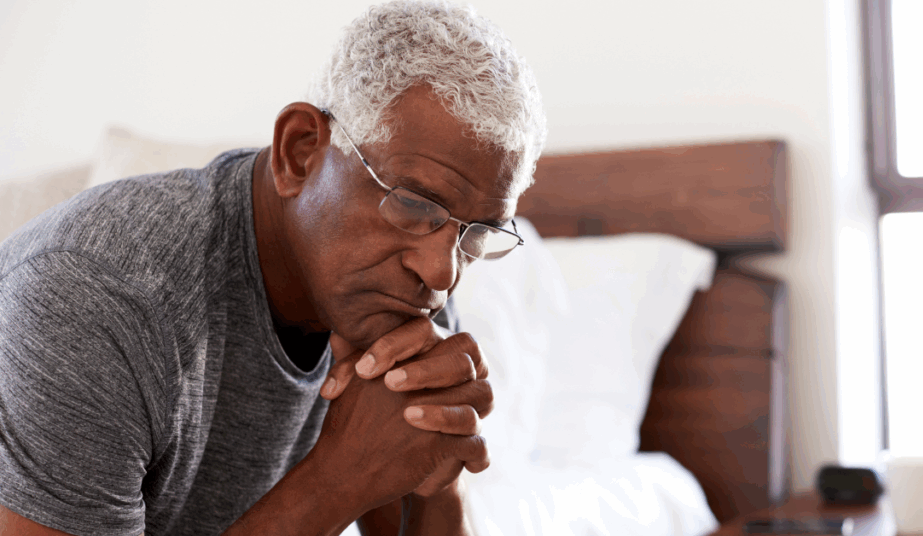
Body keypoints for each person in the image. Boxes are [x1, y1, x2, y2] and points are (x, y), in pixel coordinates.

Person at [0, 1, 547, 534]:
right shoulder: (94, 295)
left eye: (476, 234)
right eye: (412, 204)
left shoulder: (407, 279)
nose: (442, 274)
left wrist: (438, 466)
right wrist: (337, 481)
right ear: (300, 151)